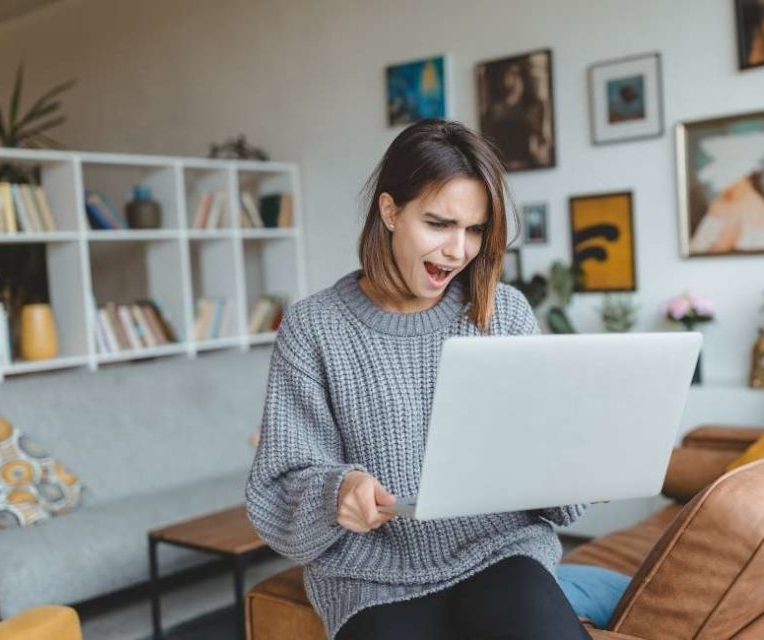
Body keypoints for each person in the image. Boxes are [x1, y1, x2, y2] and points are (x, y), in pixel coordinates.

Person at [245, 119, 589, 640]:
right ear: (390, 211)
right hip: (371, 577)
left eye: (474, 230)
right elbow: (278, 489)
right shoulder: (314, 328)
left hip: (500, 552)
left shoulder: (505, 313)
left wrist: (586, 464)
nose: (458, 250)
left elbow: (554, 486)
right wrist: (339, 492)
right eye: (438, 223)